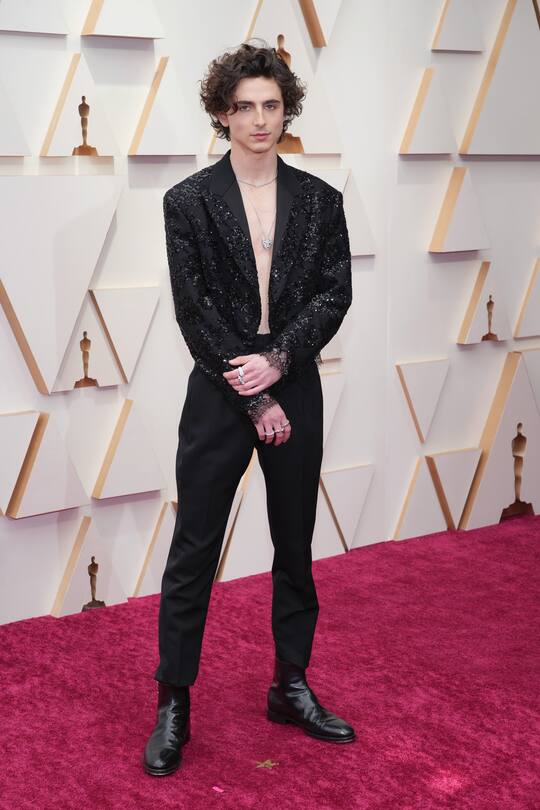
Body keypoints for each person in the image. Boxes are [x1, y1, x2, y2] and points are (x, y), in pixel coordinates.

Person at [143, 40, 355, 777]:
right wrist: (254, 389)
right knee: (194, 549)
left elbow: (335, 294)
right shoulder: (188, 201)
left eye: (271, 105)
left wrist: (282, 363)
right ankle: (174, 701)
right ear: (221, 113)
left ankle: (289, 685)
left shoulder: (323, 201)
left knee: (294, 545)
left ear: (285, 110)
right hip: (219, 381)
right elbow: (193, 310)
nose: (259, 119)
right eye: (244, 106)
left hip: (292, 375)